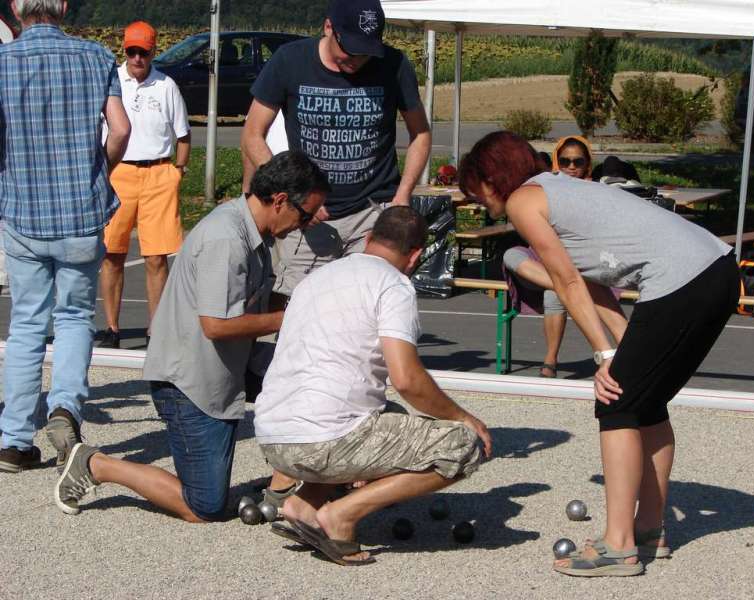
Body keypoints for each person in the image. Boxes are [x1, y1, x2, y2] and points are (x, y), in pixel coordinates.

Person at [459, 131, 737, 577]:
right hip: (718, 269)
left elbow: (567, 282)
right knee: (646, 404)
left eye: (474, 188)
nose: (475, 199)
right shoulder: (559, 189)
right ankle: (648, 530)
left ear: (491, 177)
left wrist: (604, 353)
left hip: (682, 280)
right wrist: (623, 336)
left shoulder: (523, 202)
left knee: (617, 402)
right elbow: (592, 280)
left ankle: (618, 545)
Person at [54, 153, 329, 522]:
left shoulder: (255, 233)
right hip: (188, 383)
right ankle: (95, 463)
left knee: (312, 389)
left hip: (223, 372)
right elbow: (216, 325)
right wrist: (289, 318)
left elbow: (259, 301)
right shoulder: (226, 240)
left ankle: (303, 483)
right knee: (204, 506)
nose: (306, 224)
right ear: (280, 201)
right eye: (306, 214)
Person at [254, 206, 492, 566]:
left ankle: (303, 505)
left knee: (384, 415)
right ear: (415, 257)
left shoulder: (316, 278)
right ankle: (342, 515)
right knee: (462, 446)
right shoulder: (394, 285)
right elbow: (407, 380)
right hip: (321, 443)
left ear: (367, 240)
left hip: (274, 439)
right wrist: (463, 417)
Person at [0, 0, 130, 473]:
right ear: (64, 7)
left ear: (16, 8)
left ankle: (14, 439)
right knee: (74, 316)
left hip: (23, 214)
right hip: (80, 213)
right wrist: (100, 171)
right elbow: (120, 129)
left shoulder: (3, 63)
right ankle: (65, 409)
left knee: (26, 324)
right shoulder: (96, 58)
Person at [240, 0, 432, 301]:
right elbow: (252, 134)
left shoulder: (394, 65)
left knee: (367, 307)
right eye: (351, 49)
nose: (357, 60)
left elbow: (420, 133)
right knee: (294, 305)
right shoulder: (289, 61)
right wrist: (295, 193)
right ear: (329, 27)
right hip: (307, 217)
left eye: (367, 52)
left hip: (372, 211)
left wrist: (403, 195)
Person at [97, 21, 191, 349]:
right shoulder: (111, 81)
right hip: (118, 172)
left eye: (144, 52)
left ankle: (157, 330)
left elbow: (183, 135)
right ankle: (111, 327)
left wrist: (177, 171)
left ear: (153, 51)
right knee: (112, 253)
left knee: (155, 257)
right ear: (125, 50)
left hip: (158, 173)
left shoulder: (166, 86)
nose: (137, 58)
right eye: (132, 51)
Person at [502, 136, 596, 377]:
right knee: (510, 255)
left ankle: (550, 360)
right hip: (541, 261)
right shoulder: (542, 189)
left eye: (578, 161)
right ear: (557, 163)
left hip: (576, 261)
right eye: (565, 161)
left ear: (587, 165)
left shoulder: (597, 193)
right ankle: (559, 281)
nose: (572, 167)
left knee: (555, 292)